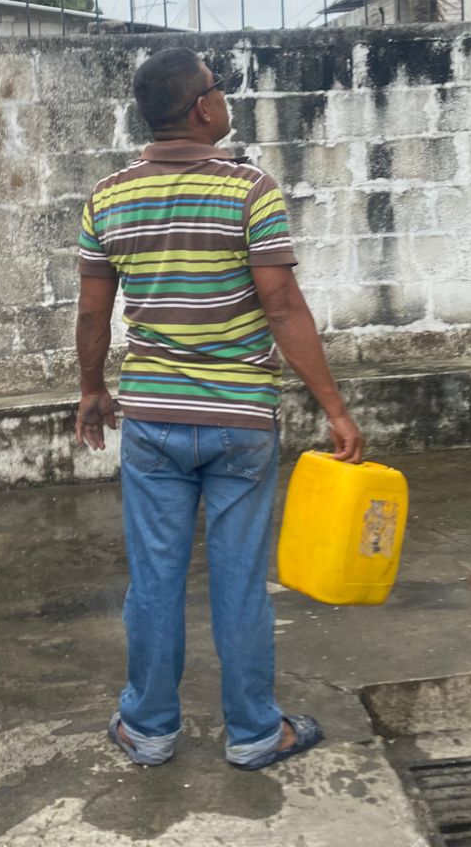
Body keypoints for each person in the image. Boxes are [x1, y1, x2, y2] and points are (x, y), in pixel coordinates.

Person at [74, 46, 366, 770]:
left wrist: (91, 389)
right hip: (241, 422)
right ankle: (256, 733)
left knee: (155, 581)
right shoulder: (251, 191)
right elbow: (283, 306)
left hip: (153, 421)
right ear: (203, 108)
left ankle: (148, 729)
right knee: (240, 582)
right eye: (219, 88)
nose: (225, 97)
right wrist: (335, 409)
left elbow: (93, 312)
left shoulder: (107, 198)